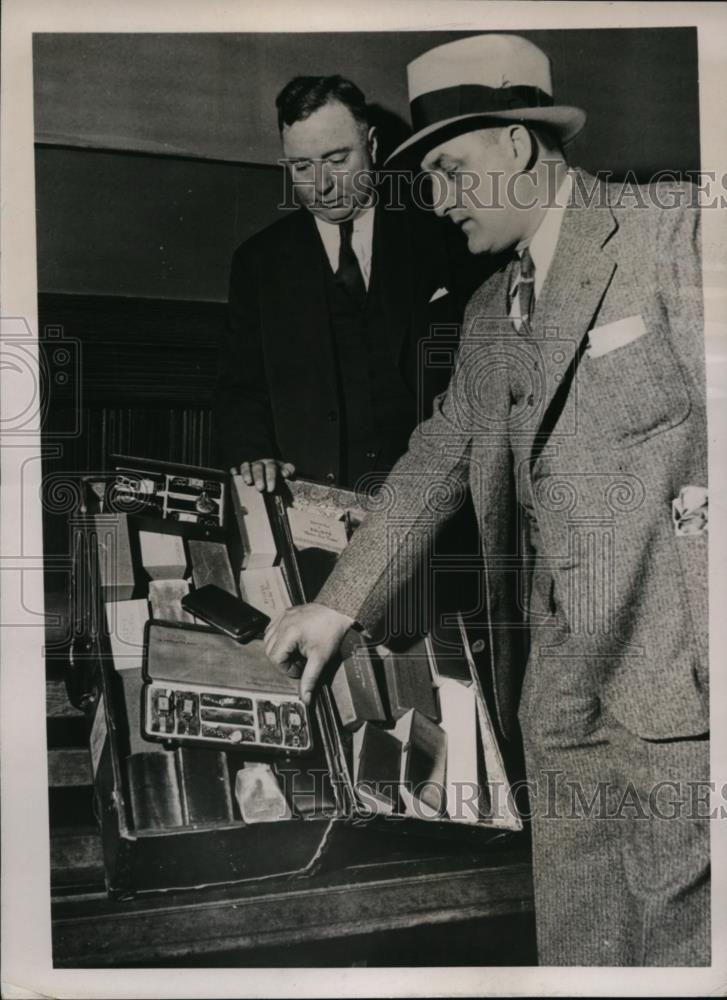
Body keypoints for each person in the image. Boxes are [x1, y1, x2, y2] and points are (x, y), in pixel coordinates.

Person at [264, 34, 709, 966]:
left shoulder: (674, 228)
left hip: (683, 685)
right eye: (424, 178)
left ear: (516, 143)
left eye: (452, 170)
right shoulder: (486, 312)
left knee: (683, 951)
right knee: (583, 947)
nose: (438, 199)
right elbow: (435, 459)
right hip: (553, 696)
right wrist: (338, 604)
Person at [214, 74, 481, 492]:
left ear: (372, 146)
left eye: (338, 160)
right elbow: (241, 388)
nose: (321, 185)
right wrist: (254, 454)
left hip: (436, 506)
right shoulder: (257, 262)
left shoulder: (447, 232)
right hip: (312, 511)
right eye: (302, 166)